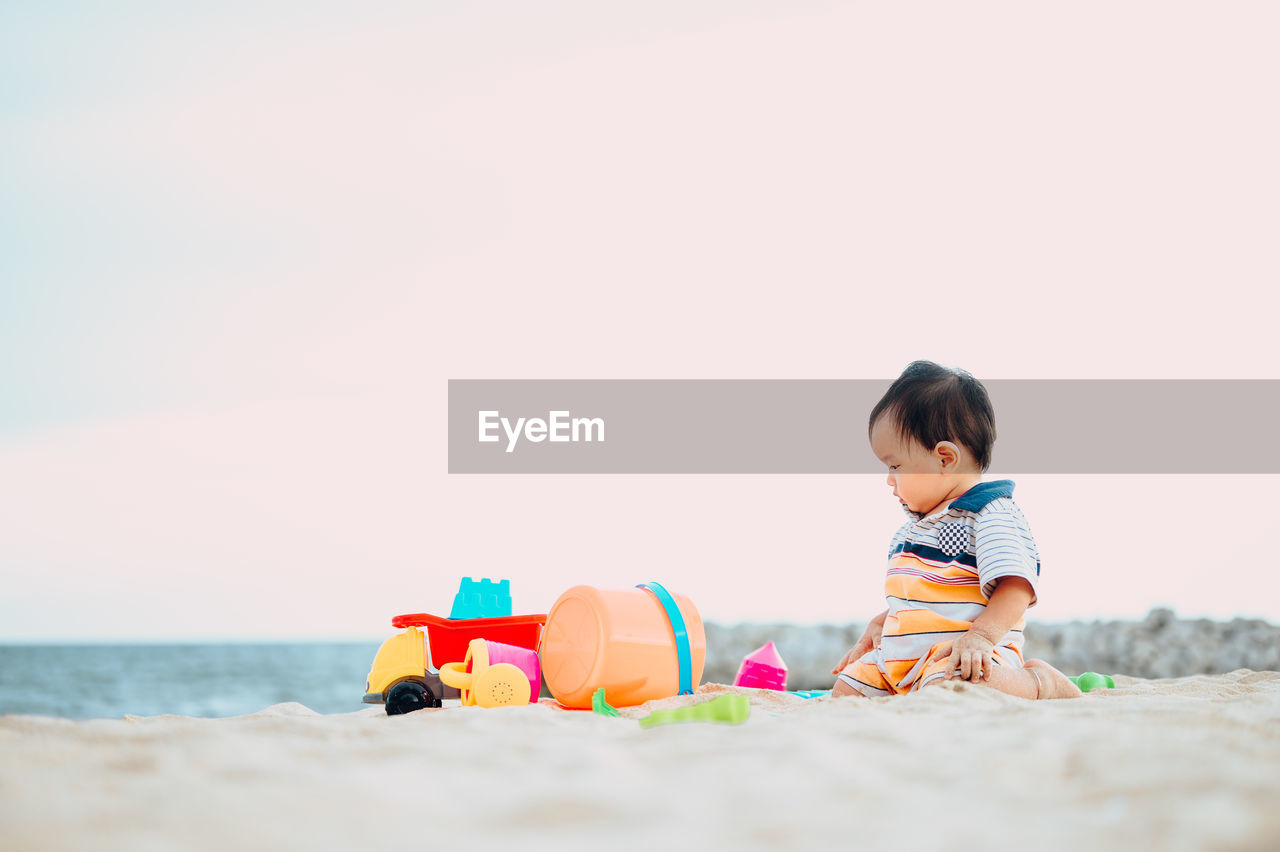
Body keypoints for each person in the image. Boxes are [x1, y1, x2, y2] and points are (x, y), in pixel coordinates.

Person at [831, 361, 1081, 700]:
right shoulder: (915, 529)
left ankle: (1040, 684)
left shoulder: (989, 513)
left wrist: (980, 637)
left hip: (961, 655)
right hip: (901, 664)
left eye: (895, 465)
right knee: (846, 691)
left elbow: (1017, 586)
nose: (889, 479)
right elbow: (930, 597)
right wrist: (884, 621)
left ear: (945, 458)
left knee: (957, 686)